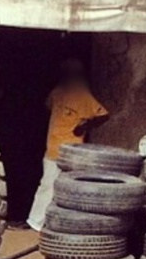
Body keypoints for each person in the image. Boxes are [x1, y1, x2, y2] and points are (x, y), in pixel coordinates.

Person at [26, 59, 109, 231]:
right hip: (53, 146)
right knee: (48, 185)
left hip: (71, 150)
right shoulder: (58, 92)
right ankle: (37, 222)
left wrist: (83, 126)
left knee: (63, 187)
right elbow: (48, 105)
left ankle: (47, 223)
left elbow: (103, 115)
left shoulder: (81, 93)